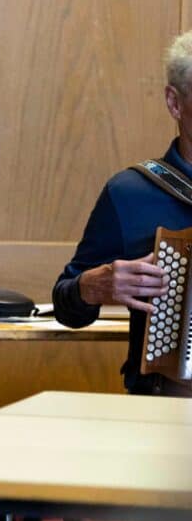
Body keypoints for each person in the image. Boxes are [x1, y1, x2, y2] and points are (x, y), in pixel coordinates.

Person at [53, 30, 192, 398]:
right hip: (170, 409)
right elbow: (66, 305)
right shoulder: (129, 194)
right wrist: (91, 287)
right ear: (175, 103)